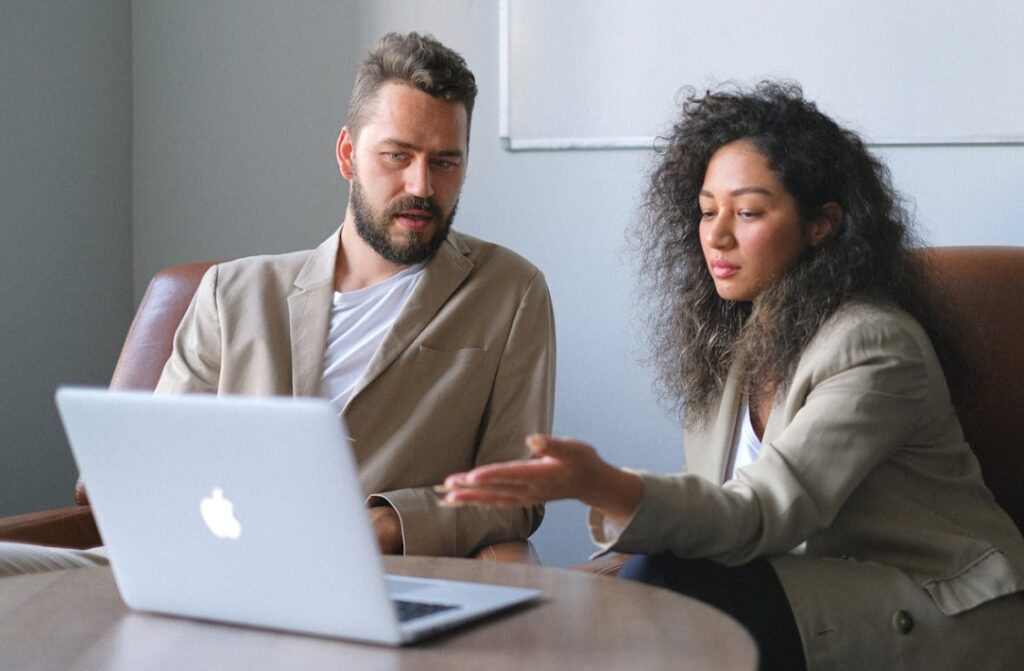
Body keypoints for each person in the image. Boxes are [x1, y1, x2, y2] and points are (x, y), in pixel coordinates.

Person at [440, 82, 1024, 670]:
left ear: (822, 224)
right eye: (706, 210)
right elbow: (716, 518)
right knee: (630, 591)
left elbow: (764, 511)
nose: (716, 236)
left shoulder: (873, 344)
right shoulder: (731, 342)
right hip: (807, 587)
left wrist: (603, 485)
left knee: (668, 585)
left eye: (747, 212)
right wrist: (595, 577)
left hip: (935, 604)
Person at [1, 32, 552, 576]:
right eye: (397, 156)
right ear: (347, 155)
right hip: (181, 558)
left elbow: (519, 491)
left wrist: (386, 524)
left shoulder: (508, 291)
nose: (421, 185)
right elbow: (158, 462)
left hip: (355, 577)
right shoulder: (232, 292)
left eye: (445, 162)